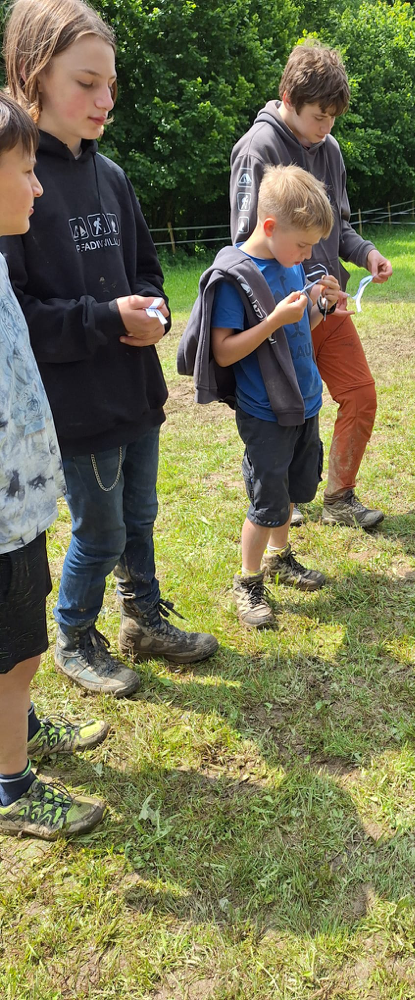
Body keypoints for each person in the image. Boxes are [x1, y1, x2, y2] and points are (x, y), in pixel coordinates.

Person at [1, 0, 218, 699]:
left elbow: (148, 273)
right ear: (33, 74)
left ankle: (143, 618)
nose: (105, 100)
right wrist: (104, 318)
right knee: (99, 533)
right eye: (86, 82)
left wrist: (155, 310)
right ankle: (74, 635)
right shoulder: (13, 184)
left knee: (139, 518)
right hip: (77, 405)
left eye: (111, 85)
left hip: (134, 390)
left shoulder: (114, 177)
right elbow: (18, 317)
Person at [0, 92, 107, 839]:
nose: (39, 187)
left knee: (16, 647)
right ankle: (12, 786)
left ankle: (22, 725)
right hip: (2, 518)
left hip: (20, 502)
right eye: (24, 171)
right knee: (17, 652)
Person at [229, 40, 392, 530]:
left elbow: (338, 226)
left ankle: (339, 496)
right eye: (319, 116)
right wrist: (300, 290)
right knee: (280, 415)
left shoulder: (331, 150)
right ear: (288, 98)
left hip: (330, 306)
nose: (327, 127)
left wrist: (365, 254)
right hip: (280, 314)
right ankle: (280, 506)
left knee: (360, 394)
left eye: (333, 118)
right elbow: (244, 247)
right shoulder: (256, 150)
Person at [179, 165, 340, 629]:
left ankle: (279, 557)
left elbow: (299, 329)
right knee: (266, 502)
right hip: (266, 411)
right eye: (303, 245)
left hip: (304, 401)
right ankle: (248, 581)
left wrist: (321, 306)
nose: (308, 255)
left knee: (290, 493)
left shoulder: (290, 263)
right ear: (270, 227)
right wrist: (272, 320)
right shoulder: (239, 278)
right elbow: (224, 352)